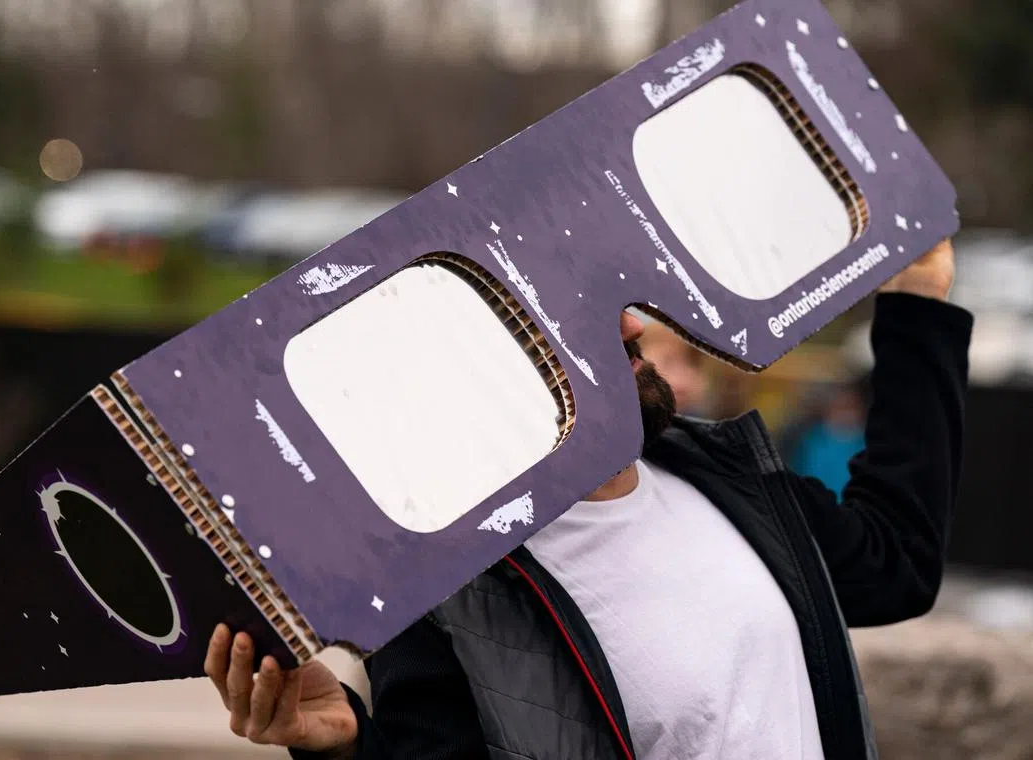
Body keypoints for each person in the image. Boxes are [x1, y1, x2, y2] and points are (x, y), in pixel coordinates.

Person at [203, 240, 971, 759]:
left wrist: (918, 306)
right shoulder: (455, 599)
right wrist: (348, 749)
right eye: (583, 311)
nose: (634, 322)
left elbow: (894, 563)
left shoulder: (721, 477)